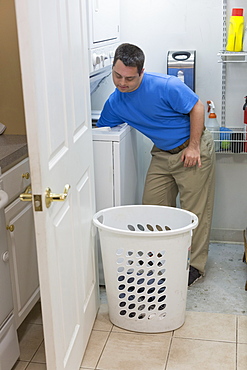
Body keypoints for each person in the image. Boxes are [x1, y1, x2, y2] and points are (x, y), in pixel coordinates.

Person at [96, 43, 216, 286]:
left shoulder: (166, 85)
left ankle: (194, 265)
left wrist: (193, 147)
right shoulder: (115, 102)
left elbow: (197, 107)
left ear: (142, 72)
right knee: (152, 206)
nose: (122, 83)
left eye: (129, 78)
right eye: (117, 76)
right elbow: (99, 129)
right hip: (162, 154)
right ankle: (160, 259)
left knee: (195, 212)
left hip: (191, 148)